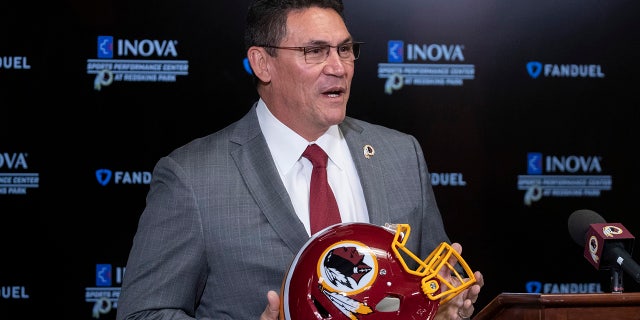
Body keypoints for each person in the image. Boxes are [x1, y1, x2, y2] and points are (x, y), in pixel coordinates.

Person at [116, 0, 485, 319]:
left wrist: (446, 308)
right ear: (262, 63)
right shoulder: (192, 177)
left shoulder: (402, 155)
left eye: (345, 49)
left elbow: (434, 291)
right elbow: (142, 312)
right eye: (315, 51)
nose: (338, 67)